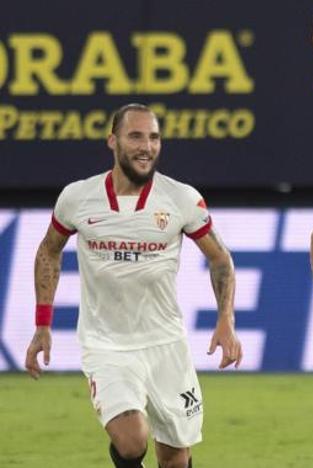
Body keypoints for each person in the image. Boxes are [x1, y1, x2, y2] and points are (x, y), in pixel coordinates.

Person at [23, 103, 243, 468]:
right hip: (106, 344)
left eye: (154, 137)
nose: (146, 146)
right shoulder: (78, 197)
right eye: (136, 136)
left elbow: (221, 259)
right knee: (131, 441)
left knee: (175, 458)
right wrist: (42, 324)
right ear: (113, 141)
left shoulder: (181, 198)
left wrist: (226, 320)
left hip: (165, 343)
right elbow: (49, 251)